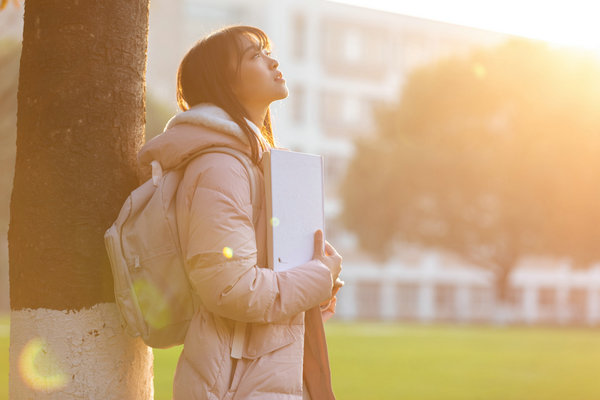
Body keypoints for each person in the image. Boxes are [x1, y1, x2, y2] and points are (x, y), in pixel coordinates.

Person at [138, 26, 343, 400]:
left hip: (258, 376)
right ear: (225, 83)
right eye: (254, 55)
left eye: (267, 51)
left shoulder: (254, 165)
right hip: (233, 385)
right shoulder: (220, 167)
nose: (273, 61)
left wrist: (313, 288)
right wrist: (316, 278)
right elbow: (231, 289)